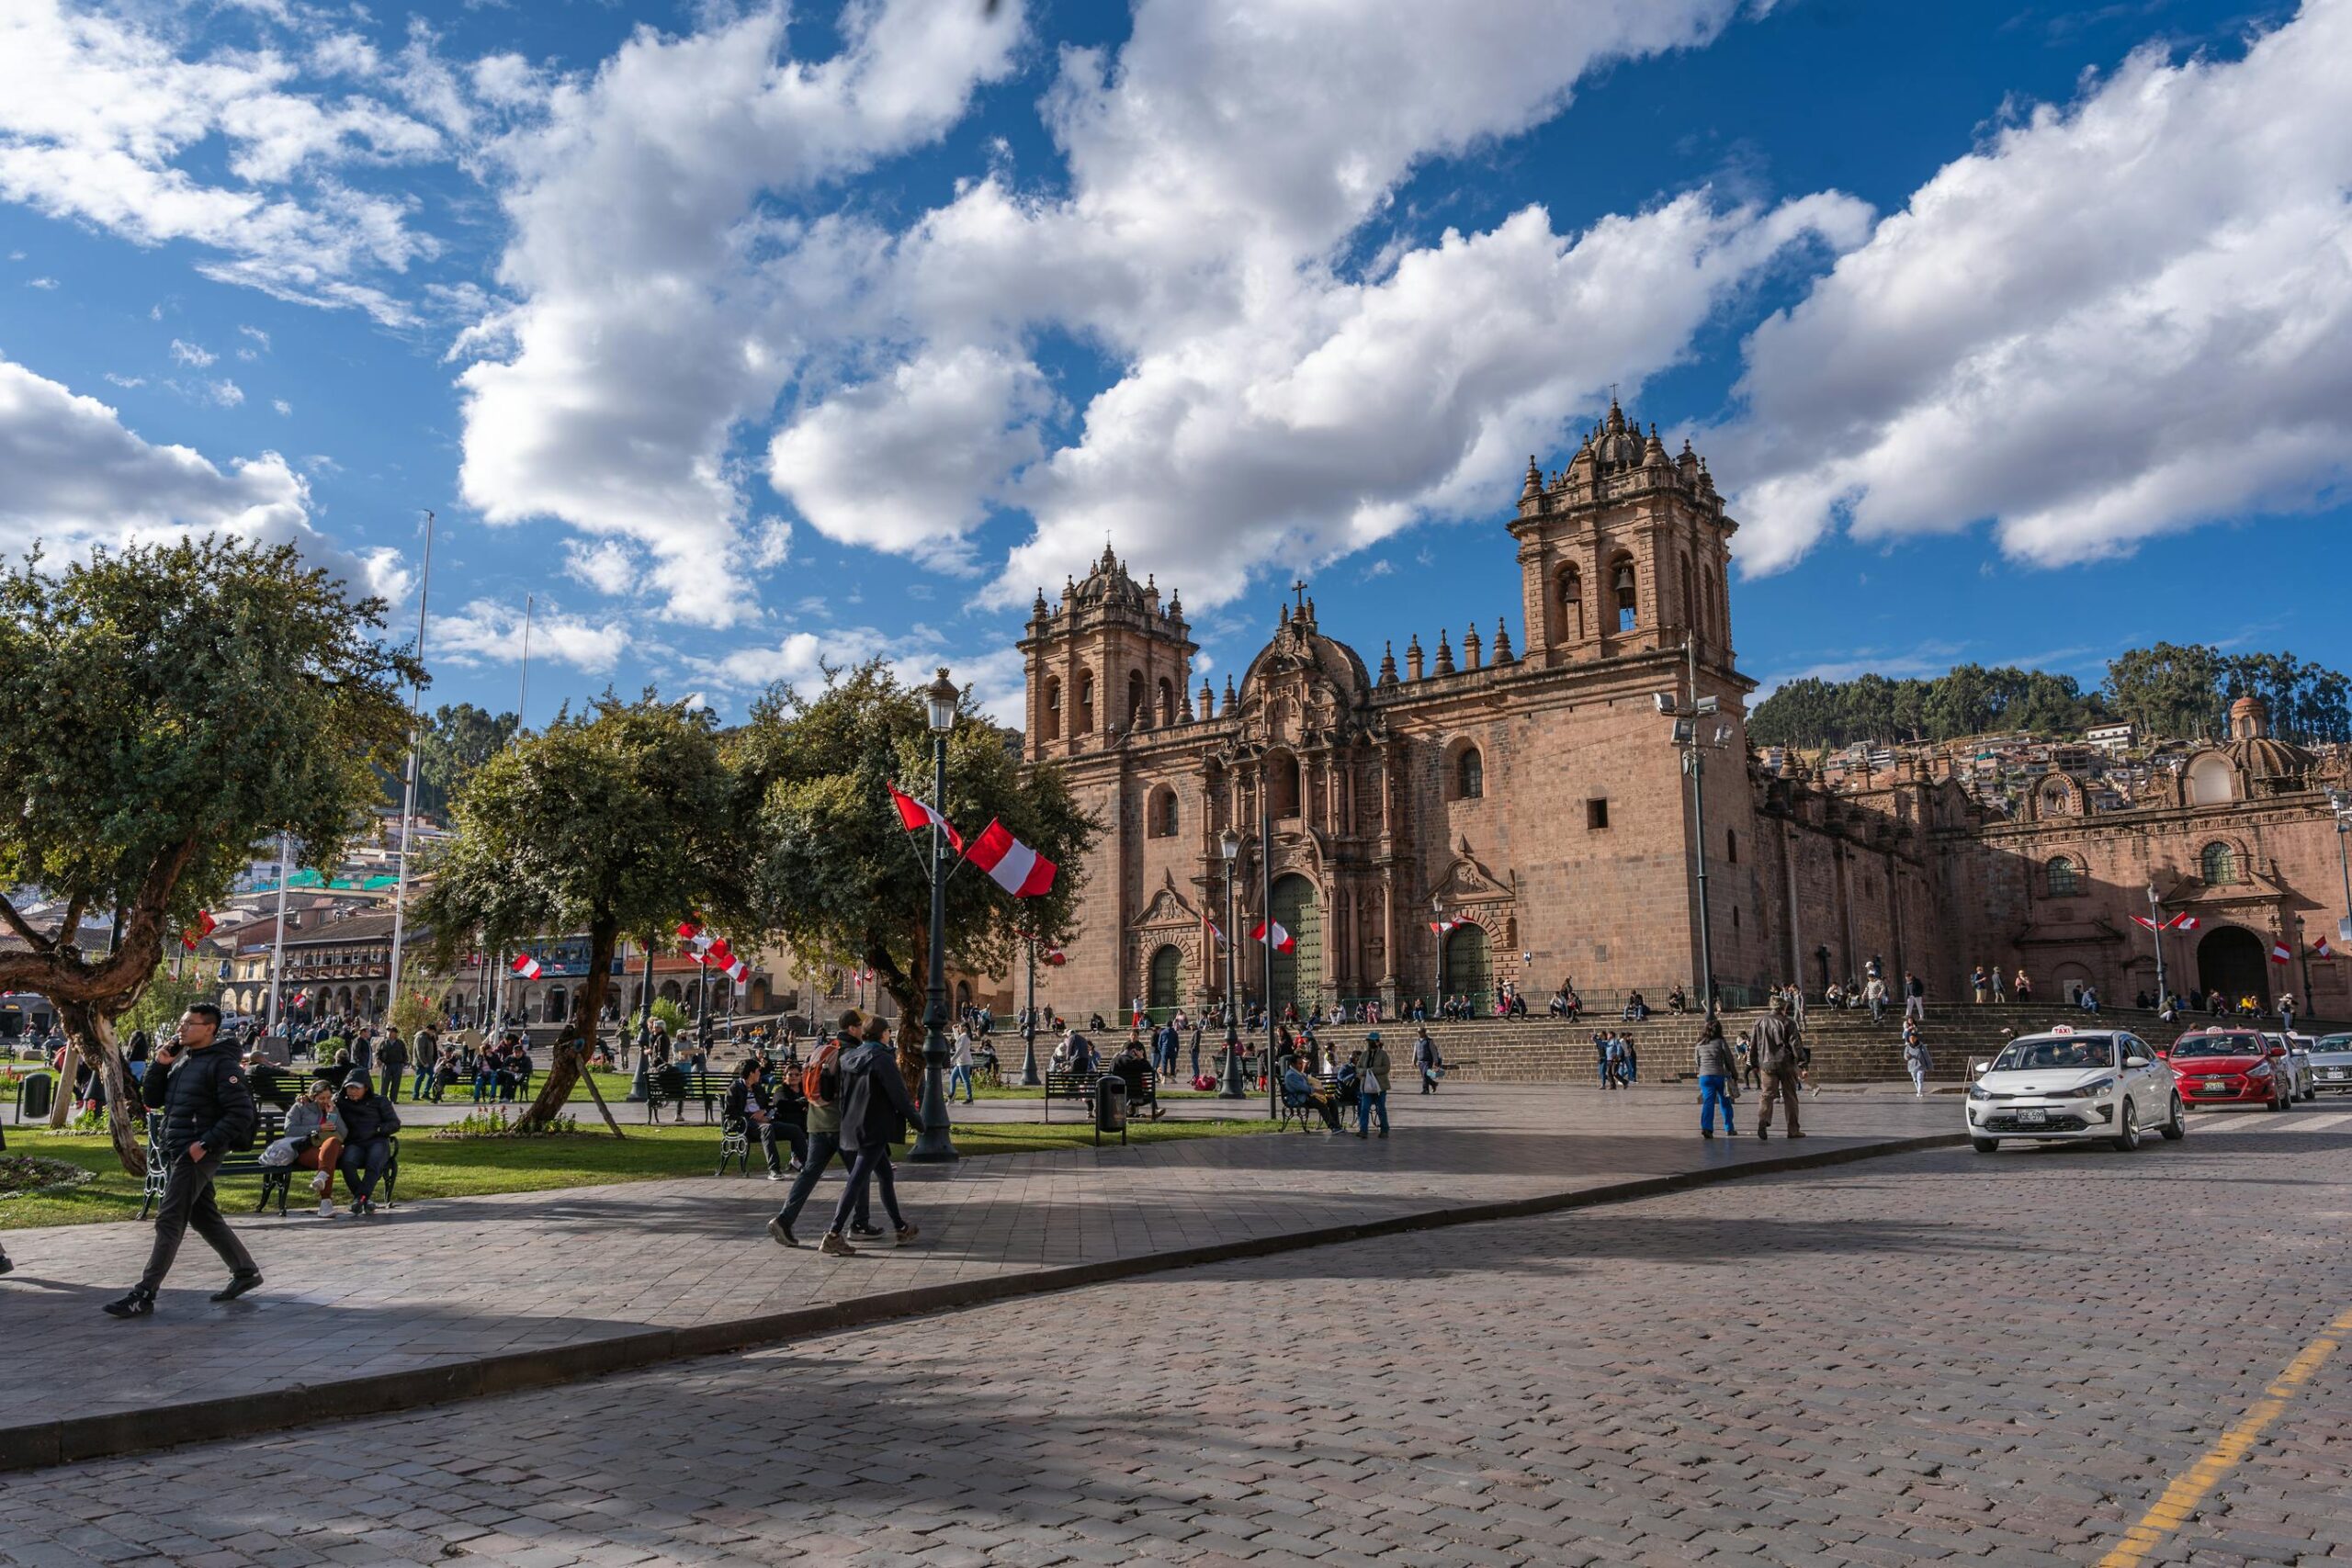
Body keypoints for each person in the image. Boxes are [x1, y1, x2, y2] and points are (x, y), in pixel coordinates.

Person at [104, 1005, 262, 1316]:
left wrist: (204, 1143)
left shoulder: (223, 1065)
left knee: (169, 1217)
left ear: (210, 1028)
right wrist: (160, 1065)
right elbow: (152, 1100)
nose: (182, 1028)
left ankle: (144, 1293)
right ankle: (245, 1271)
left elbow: (241, 1113)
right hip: (179, 1148)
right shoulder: (183, 1060)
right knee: (203, 1216)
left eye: (190, 1023)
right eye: (181, 1022)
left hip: (197, 1152)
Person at [820, 1020, 920, 1256]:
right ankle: (834, 1234)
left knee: (885, 1174)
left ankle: (900, 1227)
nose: (889, 1036)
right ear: (882, 1034)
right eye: (888, 1032)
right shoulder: (882, 1059)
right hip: (874, 1127)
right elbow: (899, 1094)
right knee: (857, 1179)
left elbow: (844, 1094)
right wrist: (918, 1121)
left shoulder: (849, 1058)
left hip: (853, 1124)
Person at [768, 1011, 865, 1247]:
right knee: (859, 1174)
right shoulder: (848, 1054)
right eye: (860, 1026)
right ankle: (860, 1224)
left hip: (815, 1121)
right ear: (852, 1029)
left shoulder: (821, 1050)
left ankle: (784, 1219)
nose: (863, 1030)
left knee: (809, 1172)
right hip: (840, 1124)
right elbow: (851, 1093)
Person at [335, 1070, 400, 1216]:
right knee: (347, 1163)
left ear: (366, 1088)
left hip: (377, 1140)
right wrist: (305, 1099)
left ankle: (360, 1198)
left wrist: (379, 1129)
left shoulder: (380, 1101)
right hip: (355, 1142)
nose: (352, 1091)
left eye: (356, 1088)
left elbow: (395, 1123)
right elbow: (320, 1101)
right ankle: (364, 1199)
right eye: (349, 1087)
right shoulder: (340, 1102)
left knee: (374, 1164)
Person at [724, 1057, 800, 1179]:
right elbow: (730, 1112)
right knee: (767, 1128)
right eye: (758, 1071)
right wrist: (752, 1117)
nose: (761, 1073)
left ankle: (807, 1166)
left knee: (794, 1129)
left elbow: (767, 1107)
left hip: (764, 1122)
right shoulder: (734, 1088)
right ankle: (774, 1169)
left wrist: (764, 1113)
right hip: (744, 1125)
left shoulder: (758, 1087)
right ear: (751, 1073)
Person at [282, 1080, 346, 1207]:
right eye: (321, 1098)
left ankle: (322, 1177)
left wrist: (332, 1113)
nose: (325, 1101)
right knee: (328, 1160)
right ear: (313, 1096)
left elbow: (343, 1134)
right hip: (306, 1149)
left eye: (328, 1097)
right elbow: (289, 1131)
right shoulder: (301, 1106)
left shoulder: (333, 1109)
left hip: (329, 1148)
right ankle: (325, 1201)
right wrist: (318, 1128)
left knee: (333, 1143)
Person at [1750, 994, 1805, 1141]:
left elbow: (1753, 1044)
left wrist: (1753, 1063)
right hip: (1786, 1063)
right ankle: (1793, 1130)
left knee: (1767, 1094)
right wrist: (1802, 1063)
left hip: (1767, 1063)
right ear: (1784, 1007)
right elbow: (1796, 1045)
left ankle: (1763, 1119)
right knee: (1790, 1096)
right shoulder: (1789, 1022)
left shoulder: (1760, 1021)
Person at [1693, 1013, 1737, 1139]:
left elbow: (1697, 1061)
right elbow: (1729, 1059)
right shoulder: (1721, 1042)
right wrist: (1734, 1073)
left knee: (1708, 1102)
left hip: (1705, 1076)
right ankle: (1729, 1128)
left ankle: (1707, 1127)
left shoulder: (1699, 1044)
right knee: (1725, 1102)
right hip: (1720, 1076)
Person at [1279, 1058, 1343, 1132]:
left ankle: (1337, 1125)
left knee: (1331, 1102)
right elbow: (1301, 1088)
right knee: (1321, 1104)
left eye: (1302, 1063)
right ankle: (1332, 1126)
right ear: (1293, 1064)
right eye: (1299, 1064)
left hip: (1307, 1096)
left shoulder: (1298, 1073)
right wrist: (1316, 1091)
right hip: (1298, 1098)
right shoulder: (1291, 1075)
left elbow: (1308, 1082)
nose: (1301, 1065)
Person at [1356, 1032, 1392, 1138]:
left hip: (1379, 1086)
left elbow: (1386, 1068)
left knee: (1381, 1108)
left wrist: (1373, 1070)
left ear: (1377, 1042)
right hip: (1366, 1087)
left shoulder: (1383, 1054)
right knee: (1364, 1108)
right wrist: (1365, 1071)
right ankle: (1363, 1130)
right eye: (1368, 1041)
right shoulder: (1364, 1054)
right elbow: (1358, 1067)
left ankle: (1384, 1129)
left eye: (1371, 1041)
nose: (1369, 1043)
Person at [947, 1023, 977, 1105]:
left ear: (964, 1028)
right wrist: (954, 1030)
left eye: (960, 1027)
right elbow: (958, 1041)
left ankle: (969, 1098)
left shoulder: (965, 1037)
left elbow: (960, 1049)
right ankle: (951, 1096)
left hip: (963, 1062)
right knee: (952, 1078)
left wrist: (953, 1059)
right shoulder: (963, 1036)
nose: (959, 1028)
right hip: (960, 1062)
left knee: (965, 1080)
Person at [378, 1029, 409, 1104]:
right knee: (384, 1083)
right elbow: (378, 1052)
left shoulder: (400, 1043)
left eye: (391, 1032)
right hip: (386, 1065)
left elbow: (405, 1053)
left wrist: (404, 1063)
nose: (390, 1033)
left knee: (396, 1083)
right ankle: (383, 1099)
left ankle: (393, 1099)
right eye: (389, 1032)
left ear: (395, 1034)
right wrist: (378, 1059)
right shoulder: (383, 1043)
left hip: (397, 1065)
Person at [1902, 1020, 1930, 1097]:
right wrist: (1907, 1057)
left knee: (1920, 1079)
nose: (1912, 1039)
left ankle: (1919, 1092)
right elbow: (1905, 1055)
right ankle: (1918, 1090)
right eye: (1911, 1038)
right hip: (1912, 1065)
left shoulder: (1921, 1046)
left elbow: (1926, 1056)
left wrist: (1929, 1065)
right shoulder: (1908, 1047)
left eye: (1913, 1038)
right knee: (1915, 1079)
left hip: (1921, 1064)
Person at [1412, 1026, 1442, 1094]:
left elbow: (1433, 1051)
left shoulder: (1429, 1041)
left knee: (1425, 1074)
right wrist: (1414, 1060)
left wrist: (1435, 1061)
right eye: (1418, 1032)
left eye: (1420, 1032)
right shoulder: (1417, 1042)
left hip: (1427, 1061)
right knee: (1424, 1076)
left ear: (1424, 1032)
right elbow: (1415, 1051)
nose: (1419, 1033)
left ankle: (1426, 1089)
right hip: (1420, 1061)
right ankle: (1433, 1084)